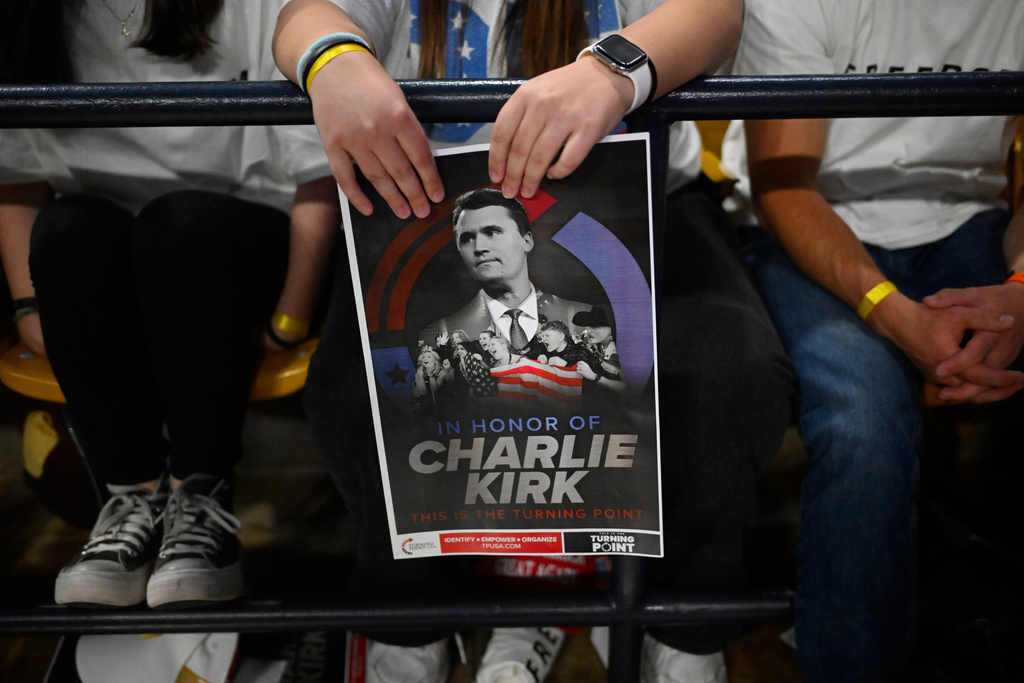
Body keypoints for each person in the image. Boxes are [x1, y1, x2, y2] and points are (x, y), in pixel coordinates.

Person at [275, 1, 795, 681]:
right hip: (430, 211)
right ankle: (415, 604)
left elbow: (716, 12)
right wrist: (334, 61)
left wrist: (613, 71)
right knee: (356, 388)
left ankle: (680, 617)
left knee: (730, 372)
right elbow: (303, 17)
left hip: (643, 198)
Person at [721, 0, 1024, 679]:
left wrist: (1022, 289)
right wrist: (895, 315)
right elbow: (784, 188)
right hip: (808, 226)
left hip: (969, 225)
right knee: (864, 424)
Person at [0, 0, 338, 609]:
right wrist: (28, 308)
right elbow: (17, 184)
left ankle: (202, 504)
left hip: (238, 245)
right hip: (104, 265)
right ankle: (130, 500)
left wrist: (290, 319)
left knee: (177, 225)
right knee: (67, 227)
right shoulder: (30, 18)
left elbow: (319, 173)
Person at [418, 188, 593, 358]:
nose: (479, 248)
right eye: (467, 239)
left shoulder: (585, 317)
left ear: (526, 240)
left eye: (492, 232)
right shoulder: (439, 334)